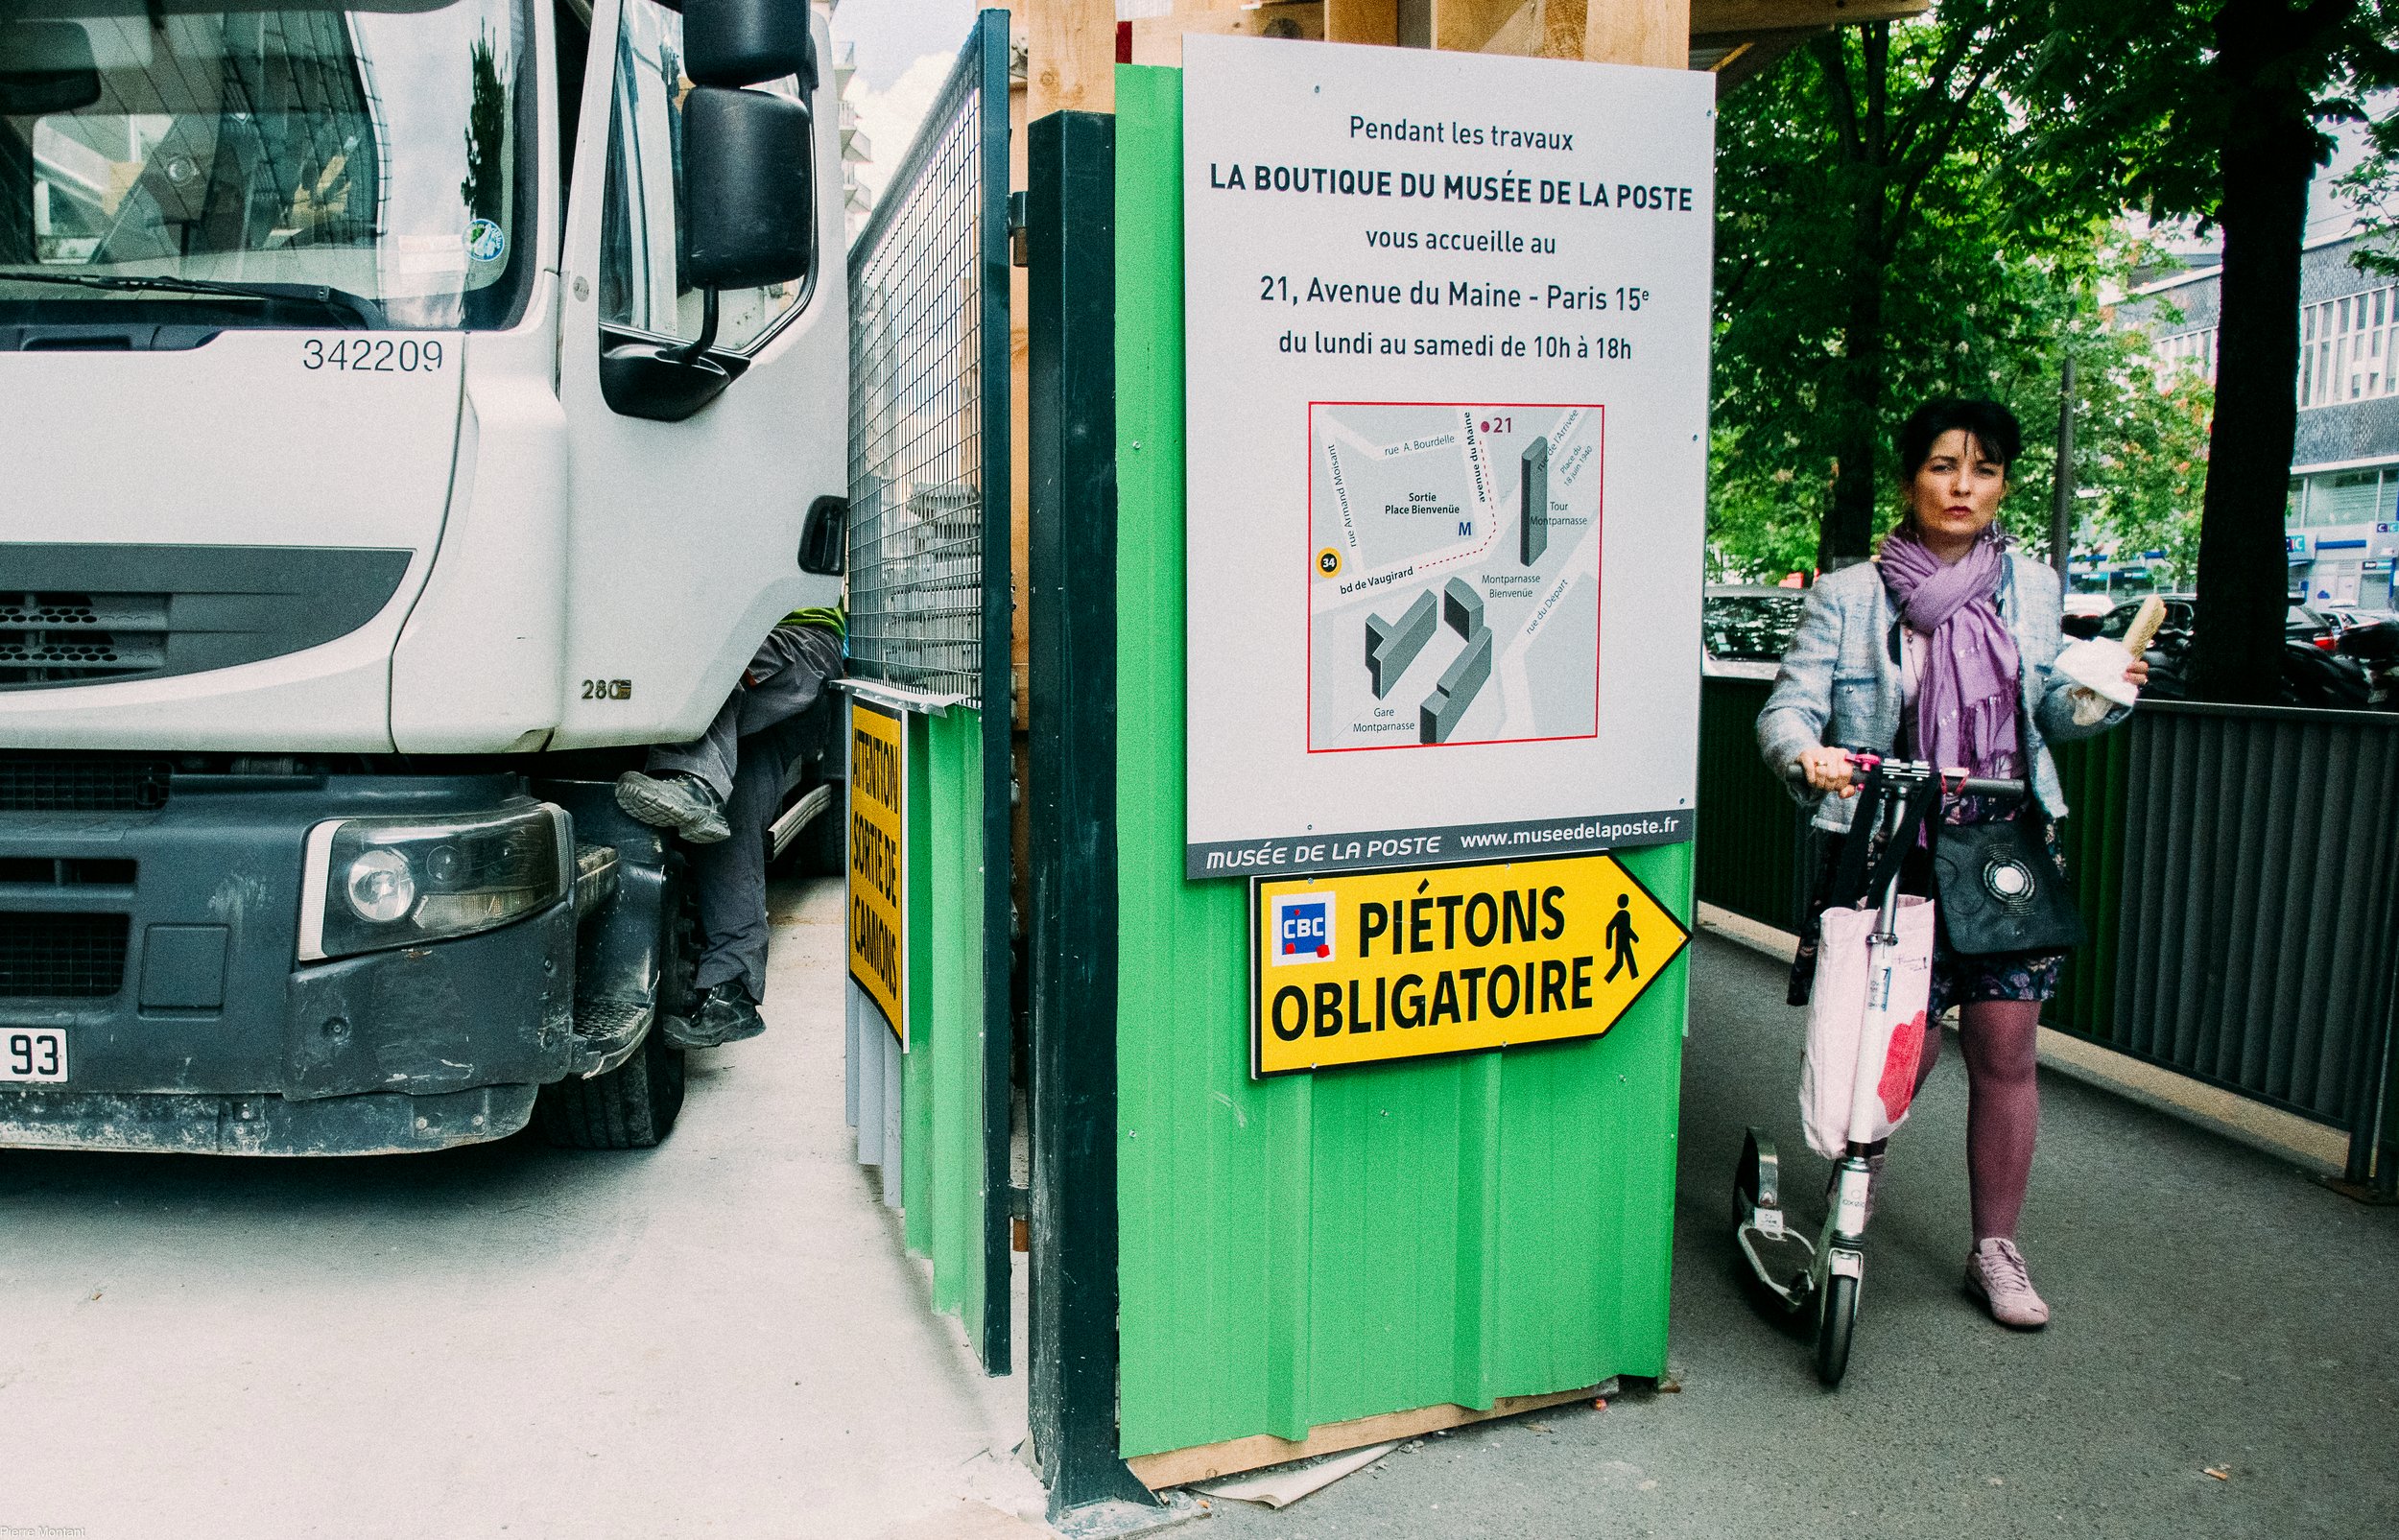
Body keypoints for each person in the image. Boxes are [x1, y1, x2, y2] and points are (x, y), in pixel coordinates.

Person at [1755, 398, 2145, 1331]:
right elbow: (1786, 708)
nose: (1961, 485)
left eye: (1980, 468)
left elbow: (2048, 713)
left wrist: (2106, 697)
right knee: (1899, 1041)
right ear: (1909, 479)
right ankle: (1859, 1179)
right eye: (1941, 466)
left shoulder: (2033, 587)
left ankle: (1995, 1252)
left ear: (2003, 482)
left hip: (2007, 838)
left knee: (2006, 1048)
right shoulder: (1852, 594)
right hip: (1895, 835)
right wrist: (1803, 755)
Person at [615, 606, 846, 1049]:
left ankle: (696, 783)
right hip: (787, 682)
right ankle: (731, 992)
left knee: (706, 661)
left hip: (796, 650)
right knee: (730, 822)